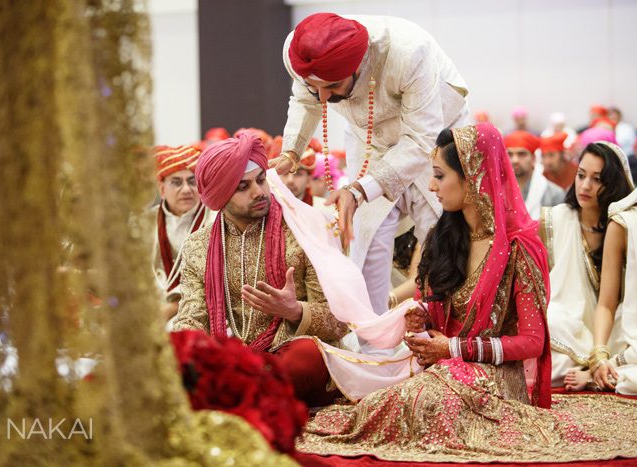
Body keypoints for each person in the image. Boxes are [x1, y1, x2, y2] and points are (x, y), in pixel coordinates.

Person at [295, 124, 637, 463]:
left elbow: (532, 342)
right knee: (379, 402)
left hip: (495, 375)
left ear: (473, 177)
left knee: (425, 401)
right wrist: (422, 318)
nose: (432, 186)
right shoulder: (443, 236)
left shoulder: (518, 248)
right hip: (445, 367)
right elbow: (435, 304)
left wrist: (454, 347)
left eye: (439, 175)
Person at [273, 12, 469, 316]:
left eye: (333, 86)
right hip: (370, 140)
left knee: (442, 232)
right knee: (367, 238)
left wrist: (360, 189)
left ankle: (442, 333)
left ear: (359, 67)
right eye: (317, 87)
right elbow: (305, 100)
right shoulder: (298, 50)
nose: (323, 98)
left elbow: (420, 140)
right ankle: (371, 341)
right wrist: (291, 152)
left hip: (434, 136)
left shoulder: (408, 52)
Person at [170, 133, 349, 406]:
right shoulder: (198, 246)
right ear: (221, 195)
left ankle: (233, 396)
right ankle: (243, 392)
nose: (259, 192)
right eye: (243, 187)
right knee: (175, 353)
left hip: (291, 357)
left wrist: (294, 311)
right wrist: (186, 352)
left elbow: (340, 322)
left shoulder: (302, 231)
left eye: (261, 180)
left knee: (306, 356)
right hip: (234, 359)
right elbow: (191, 319)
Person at [541, 142, 634, 389]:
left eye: (597, 179)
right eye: (581, 175)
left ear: (613, 184)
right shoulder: (554, 219)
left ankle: (594, 371)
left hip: (615, 324)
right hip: (570, 325)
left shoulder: (625, 226)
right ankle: (598, 369)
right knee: (553, 318)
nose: (585, 186)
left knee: (632, 327)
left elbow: (611, 303)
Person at [590, 177, 637, 394]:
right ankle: (611, 367)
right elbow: (606, 303)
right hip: (635, 333)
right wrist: (599, 355)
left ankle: (615, 367)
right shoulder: (626, 224)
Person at [151, 145, 214, 321]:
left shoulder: (216, 219)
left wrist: (172, 308)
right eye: (176, 182)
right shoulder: (144, 222)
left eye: (192, 181)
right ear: (162, 188)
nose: (186, 189)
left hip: (202, 309)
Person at [505, 130, 564, 219]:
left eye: (521, 154)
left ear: (533, 159)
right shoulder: (499, 192)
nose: (515, 160)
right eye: (510, 154)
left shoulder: (554, 194)